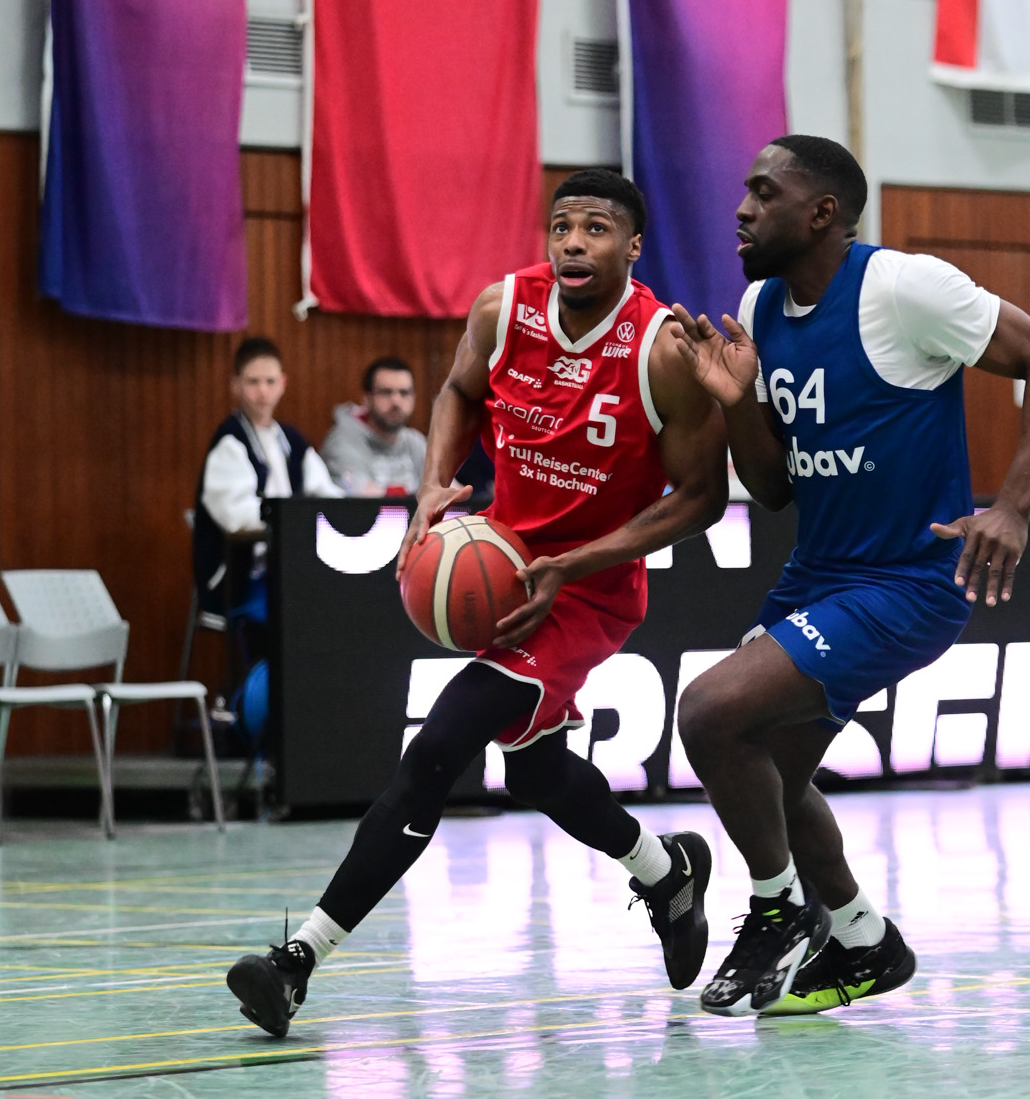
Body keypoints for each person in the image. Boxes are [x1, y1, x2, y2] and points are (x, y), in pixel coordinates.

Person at [226, 169, 729, 1038]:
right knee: (534, 770)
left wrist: (572, 566)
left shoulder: (661, 351)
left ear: (633, 247)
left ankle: (295, 962)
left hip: (586, 592)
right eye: (561, 226)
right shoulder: (503, 309)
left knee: (437, 749)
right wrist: (433, 484)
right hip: (503, 561)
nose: (573, 242)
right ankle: (667, 872)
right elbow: (459, 391)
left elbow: (701, 498)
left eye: (596, 228)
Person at [673, 135, 1030, 1018]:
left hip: (908, 583)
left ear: (821, 213)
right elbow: (774, 489)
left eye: (764, 193)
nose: (742, 209)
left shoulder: (903, 288)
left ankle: (779, 911)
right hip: (817, 575)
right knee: (771, 777)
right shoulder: (758, 305)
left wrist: (1012, 508)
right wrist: (737, 400)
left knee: (709, 711)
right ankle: (864, 941)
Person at [194, 336, 342, 627]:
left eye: (270, 381)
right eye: (253, 382)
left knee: (338, 602)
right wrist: (292, 516)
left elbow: (327, 494)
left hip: (289, 567)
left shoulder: (293, 441)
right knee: (294, 613)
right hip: (243, 577)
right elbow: (236, 518)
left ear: (283, 383)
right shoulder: (230, 442)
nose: (262, 391)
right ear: (235, 385)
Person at [321, 356, 429, 495]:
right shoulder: (342, 442)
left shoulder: (415, 441)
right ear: (366, 398)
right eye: (386, 392)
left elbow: (448, 490)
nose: (396, 401)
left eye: (404, 393)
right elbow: (364, 499)